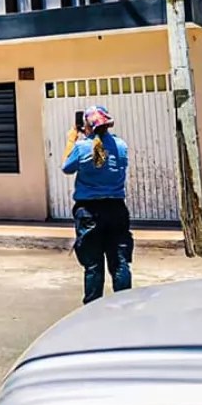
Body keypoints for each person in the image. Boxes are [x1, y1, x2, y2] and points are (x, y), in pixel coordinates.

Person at [61, 105, 133, 304]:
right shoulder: (121, 145)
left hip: (89, 211)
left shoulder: (82, 147)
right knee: (120, 261)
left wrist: (72, 139)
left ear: (87, 126)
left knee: (93, 265)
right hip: (116, 209)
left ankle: (92, 307)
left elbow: (66, 167)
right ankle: (125, 304)